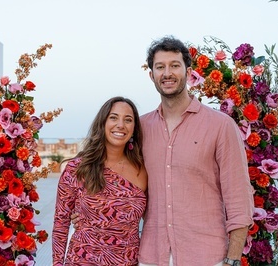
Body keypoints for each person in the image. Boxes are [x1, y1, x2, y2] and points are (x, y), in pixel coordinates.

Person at [137, 36, 254, 266]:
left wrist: (232, 259)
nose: (167, 73)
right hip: (151, 257)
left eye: (174, 65)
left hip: (206, 257)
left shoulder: (220, 125)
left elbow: (238, 198)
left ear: (188, 72)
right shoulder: (140, 128)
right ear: (152, 75)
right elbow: (116, 178)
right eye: (160, 67)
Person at [52, 96, 148, 266]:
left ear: (134, 129)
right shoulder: (78, 168)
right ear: (102, 123)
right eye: (113, 117)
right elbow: (61, 224)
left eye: (128, 120)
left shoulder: (143, 170)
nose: (121, 125)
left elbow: (154, 219)